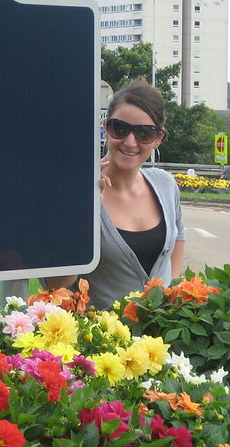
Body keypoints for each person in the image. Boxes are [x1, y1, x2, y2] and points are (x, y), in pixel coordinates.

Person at [45, 81, 185, 310]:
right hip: (99, 331)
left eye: (144, 133)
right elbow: (56, 284)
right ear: (105, 128)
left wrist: (173, 291)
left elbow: (178, 234)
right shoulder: (76, 190)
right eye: (120, 128)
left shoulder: (165, 185)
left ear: (159, 138)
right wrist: (84, 214)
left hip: (162, 331)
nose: (130, 142)